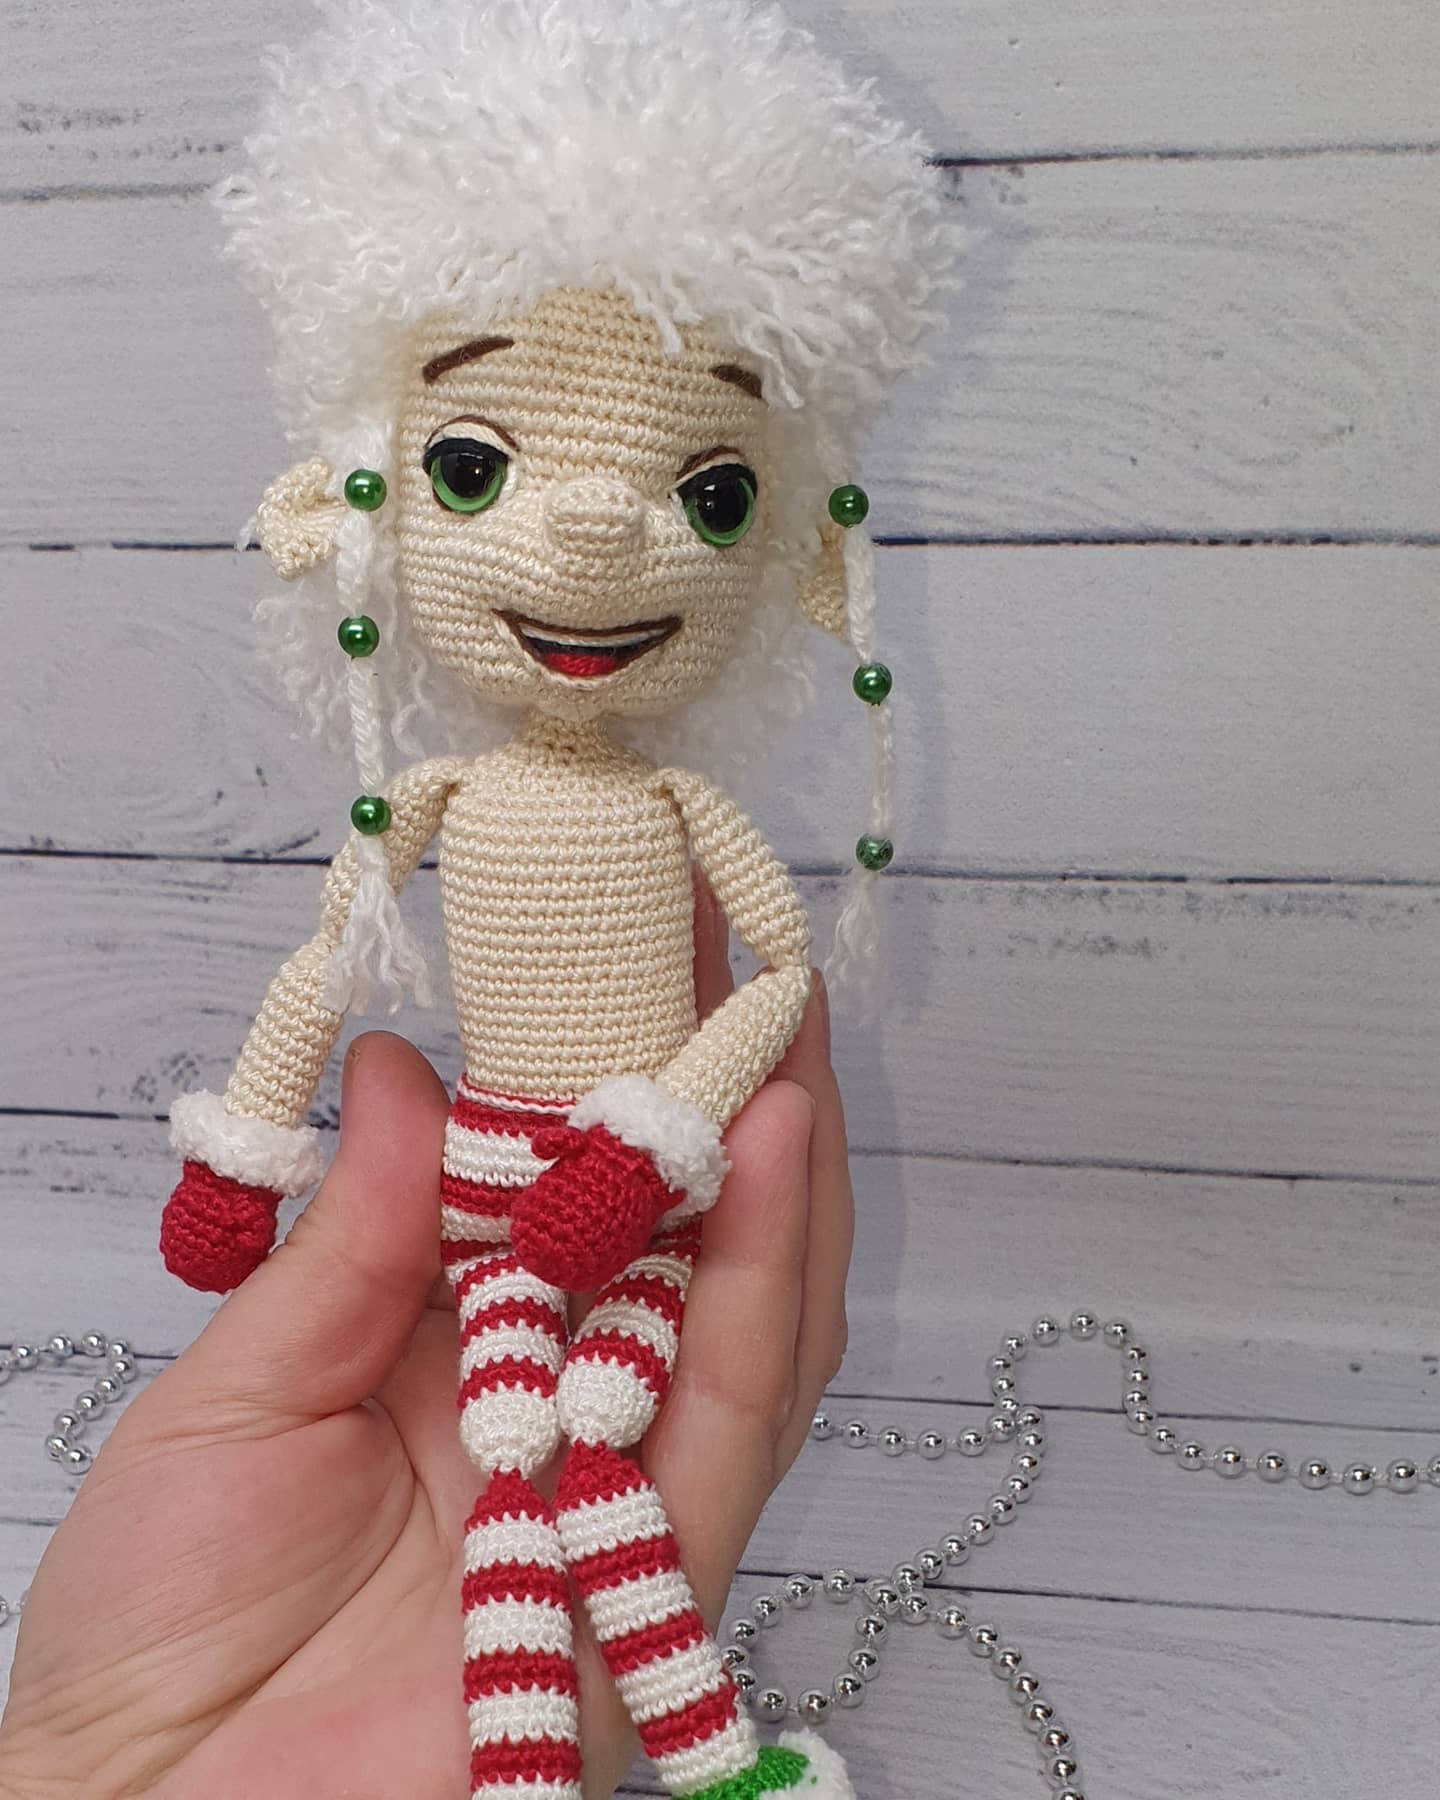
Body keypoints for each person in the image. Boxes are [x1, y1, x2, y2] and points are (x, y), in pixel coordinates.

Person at [0, 895, 852, 1800]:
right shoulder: (419, 820)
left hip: (638, 1218)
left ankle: (624, 1769)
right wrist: (238, 1161)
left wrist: (645, 1146)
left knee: (581, 1434)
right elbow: (330, 950)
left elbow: (782, 977)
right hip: (518, 1218)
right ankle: (692, 1768)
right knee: (531, 1455)